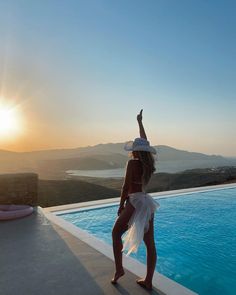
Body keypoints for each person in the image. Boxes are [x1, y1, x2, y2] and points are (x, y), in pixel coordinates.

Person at [111, 109, 160, 290]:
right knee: (150, 244)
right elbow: (144, 142)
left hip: (135, 202)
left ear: (135, 151)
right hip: (147, 203)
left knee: (116, 234)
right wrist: (140, 122)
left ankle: (119, 270)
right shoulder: (149, 164)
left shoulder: (132, 163)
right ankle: (148, 280)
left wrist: (121, 204)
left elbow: (125, 187)